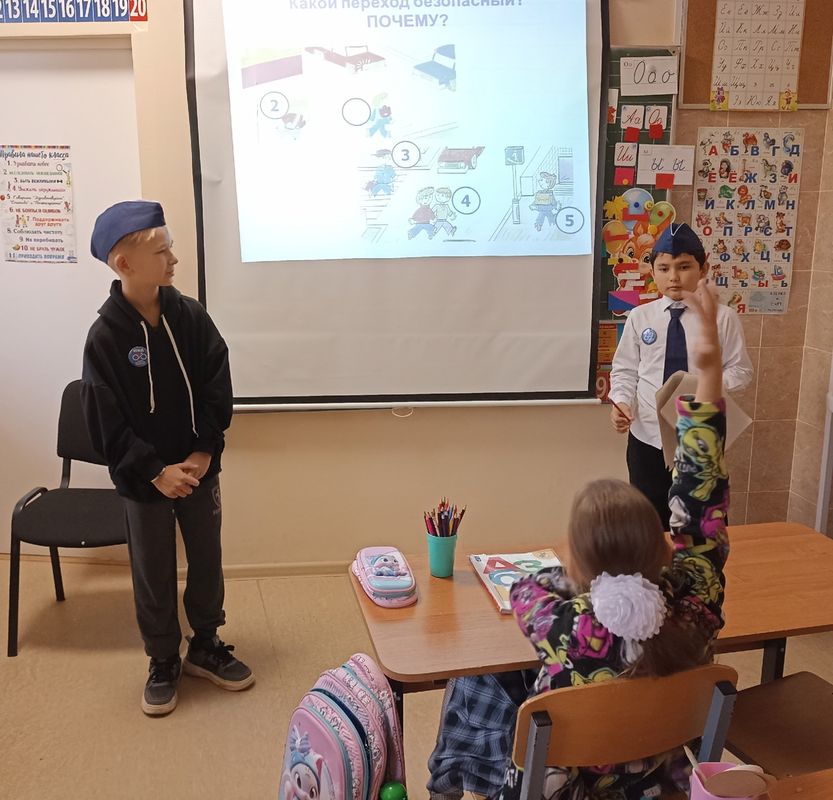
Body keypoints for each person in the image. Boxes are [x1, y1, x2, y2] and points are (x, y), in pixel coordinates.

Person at [428, 277, 731, 800]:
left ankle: (445, 783)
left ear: (578, 566)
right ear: (662, 548)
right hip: (654, 785)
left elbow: (528, 587)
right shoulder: (697, 605)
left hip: (568, 789)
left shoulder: (555, 619)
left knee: (478, 683)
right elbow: (701, 500)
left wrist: (567, 575)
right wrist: (709, 371)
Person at [81, 200, 253, 716]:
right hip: (145, 480)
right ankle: (162, 658)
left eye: (170, 246)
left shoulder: (190, 316)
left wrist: (204, 449)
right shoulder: (105, 338)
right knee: (152, 568)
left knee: (206, 557)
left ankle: (205, 644)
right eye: (162, 251)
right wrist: (154, 471)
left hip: (198, 470)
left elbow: (217, 383)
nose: (174, 258)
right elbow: (105, 422)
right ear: (124, 264)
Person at [608, 222, 752, 530]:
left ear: (703, 269)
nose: (673, 277)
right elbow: (624, 370)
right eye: (664, 268)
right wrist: (622, 402)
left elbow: (741, 372)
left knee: (702, 525)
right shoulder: (640, 317)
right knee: (647, 526)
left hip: (700, 438)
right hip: (647, 438)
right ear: (653, 272)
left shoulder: (722, 318)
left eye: (684, 267)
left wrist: (704, 386)